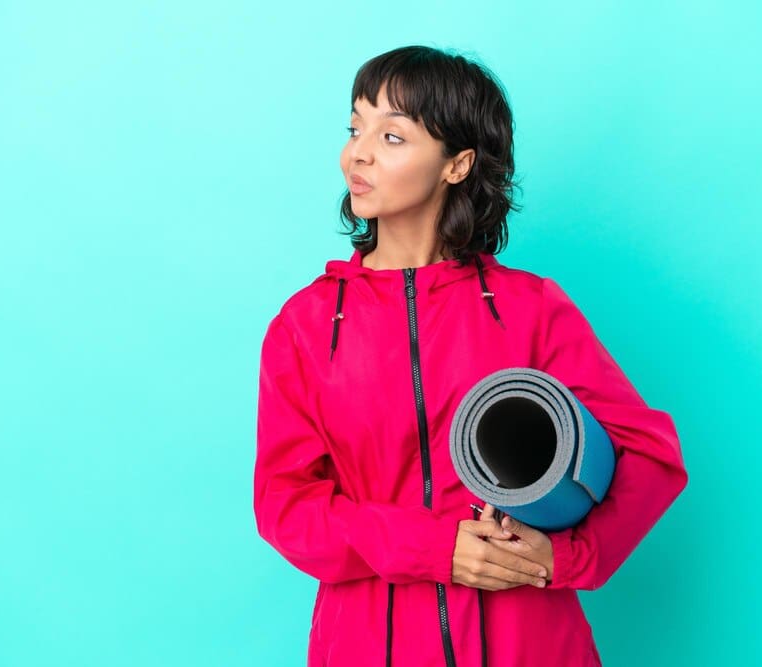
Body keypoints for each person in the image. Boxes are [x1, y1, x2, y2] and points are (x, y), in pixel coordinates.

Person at [253, 45, 688, 667]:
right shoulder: (305, 325)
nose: (360, 152)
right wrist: (435, 548)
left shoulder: (529, 307)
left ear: (457, 164)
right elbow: (286, 505)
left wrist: (567, 559)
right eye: (356, 128)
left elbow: (649, 453)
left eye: (393, 135)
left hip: (530, 642)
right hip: (368, 644)